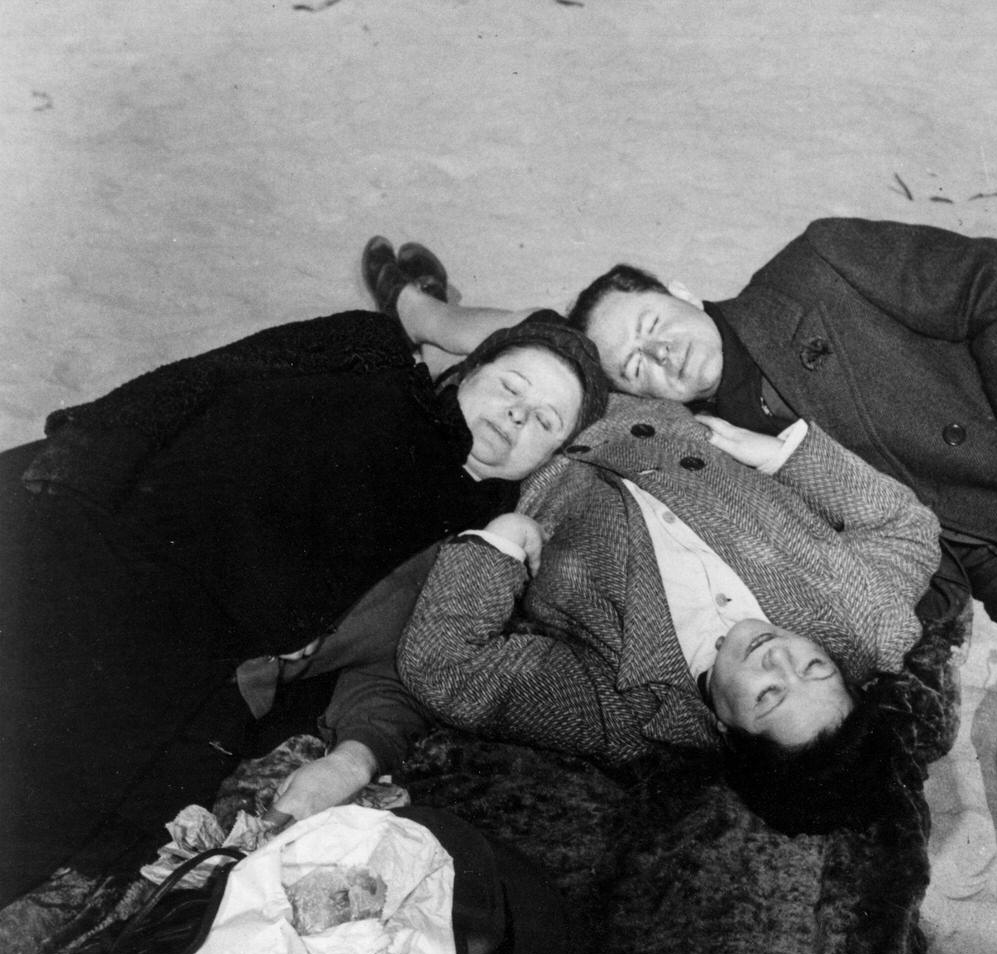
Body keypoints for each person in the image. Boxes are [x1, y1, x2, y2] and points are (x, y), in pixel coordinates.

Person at [391, 220, 997, 688]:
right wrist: (429, 321)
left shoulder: (818, 269)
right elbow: (543, 343)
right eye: (638, 365)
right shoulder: (696, 437)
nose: (659, 355)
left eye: (654, 326)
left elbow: (990, 275)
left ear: (678, 289)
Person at [0, 240, 608, 907]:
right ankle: (421, 305)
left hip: (169, 655)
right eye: (510, 387)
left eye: (545, 420)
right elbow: (191, 381)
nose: (519, 413)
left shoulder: (474, 552)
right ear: (465, 371)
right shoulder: (370, 355)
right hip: (92, 524)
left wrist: (358, 755)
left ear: (554, 454)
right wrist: (71, 475)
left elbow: (403, 672)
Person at [396, 387, 943, 794]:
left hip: (527, 455)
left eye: (769, 695)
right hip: (642, 402)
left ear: (730, 734)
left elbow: (443, 670)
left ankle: (420, 309)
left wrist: (501, 546)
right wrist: (783, 456)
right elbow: (908, 529)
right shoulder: (866, 623)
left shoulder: (626, 716)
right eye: (815, 669)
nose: (780, 657)